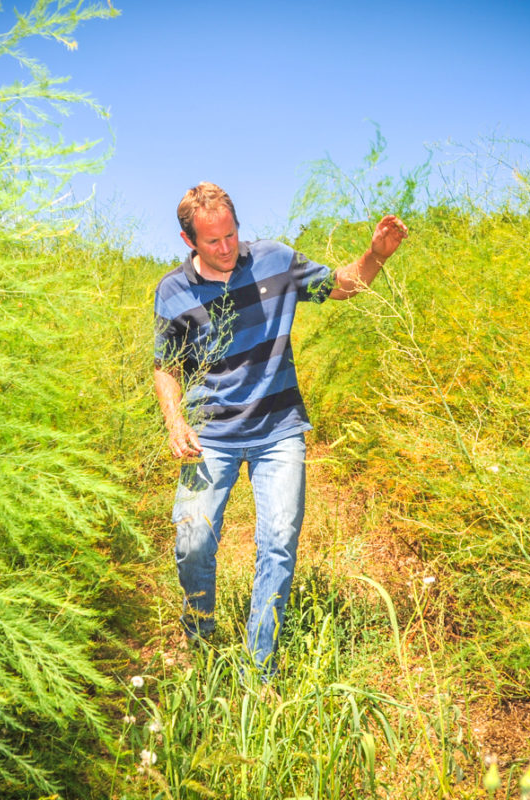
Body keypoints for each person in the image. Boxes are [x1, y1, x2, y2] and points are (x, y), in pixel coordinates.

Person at [152, 182, 408, 673]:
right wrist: (174, 419)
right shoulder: (173, 290)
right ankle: (201, 641)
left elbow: (342, 284)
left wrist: (375, 257)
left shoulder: (273, 260)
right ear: (190, 242)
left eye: (231, 234)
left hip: (278, 430)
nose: (226, 247)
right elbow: (165, 364)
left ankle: (260, 668)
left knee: (278, 540)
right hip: (210, 435)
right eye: (213, 241)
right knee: (192, 540)